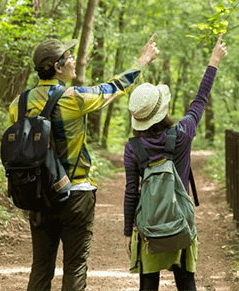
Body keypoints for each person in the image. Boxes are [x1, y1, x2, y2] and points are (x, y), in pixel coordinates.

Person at [10, 32, 160, 291]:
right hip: (75, 194)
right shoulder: (72, 98)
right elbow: (111, 89)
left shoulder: (18, 103)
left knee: (40, 267)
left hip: (35, 194)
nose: (74, 62)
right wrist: (141, 62)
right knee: (75, 266)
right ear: (57, 67)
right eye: (69, 58)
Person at [124, 34, 227, 290]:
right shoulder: (182, 134)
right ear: (163, 110)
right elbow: (200, 99)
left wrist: (129, 231)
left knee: (148, 284)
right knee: (186, 281)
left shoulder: (133, 148)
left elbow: (130, 192)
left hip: (149, 225)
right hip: (181, 220)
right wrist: (214, 60)